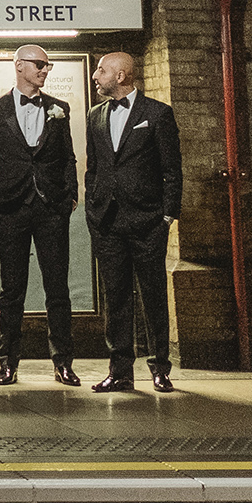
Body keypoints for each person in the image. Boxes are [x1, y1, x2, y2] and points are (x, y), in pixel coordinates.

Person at [0, 44, 80, 386]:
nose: (46, 70)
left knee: (58, 288)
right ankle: (8, 363)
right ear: (19, 66)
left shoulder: (59, 108)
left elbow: (68, 157)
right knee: (11, 290)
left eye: (48, 65)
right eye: (40, 64)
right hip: (12, 207)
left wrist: (70, 196)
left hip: (51, 208)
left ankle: (63, 363)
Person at [85, 51, 183, 393]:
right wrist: (93, 213)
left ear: (122, 76)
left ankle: (159, 368)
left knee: (153, 295)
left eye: (102, 70)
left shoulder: (157, 114)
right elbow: (94, 169)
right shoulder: (95, 115)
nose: (96, 76)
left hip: (147, 222)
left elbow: (172, 171)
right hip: (108, 222)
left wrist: (167, 217)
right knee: (116, 297)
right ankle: (120, 370)